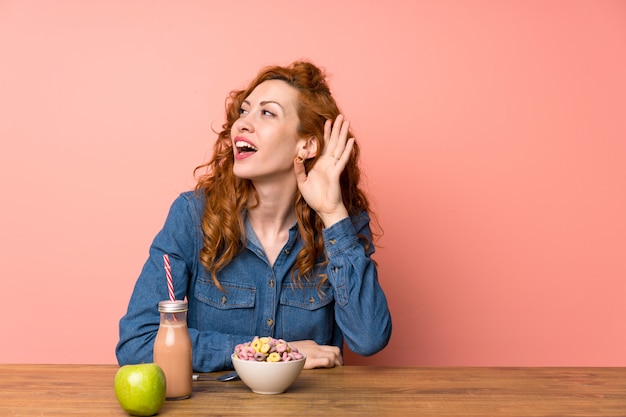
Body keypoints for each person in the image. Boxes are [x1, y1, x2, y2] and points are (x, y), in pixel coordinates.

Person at [116, 61, 392, 372]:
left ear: (308, 144)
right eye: (244, 112)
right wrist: (272, 352)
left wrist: (332, 212)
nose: (242, 124)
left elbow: (369, 338)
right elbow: (138, 343)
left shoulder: (341, 226)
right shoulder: (192, 217)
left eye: (267, 113)